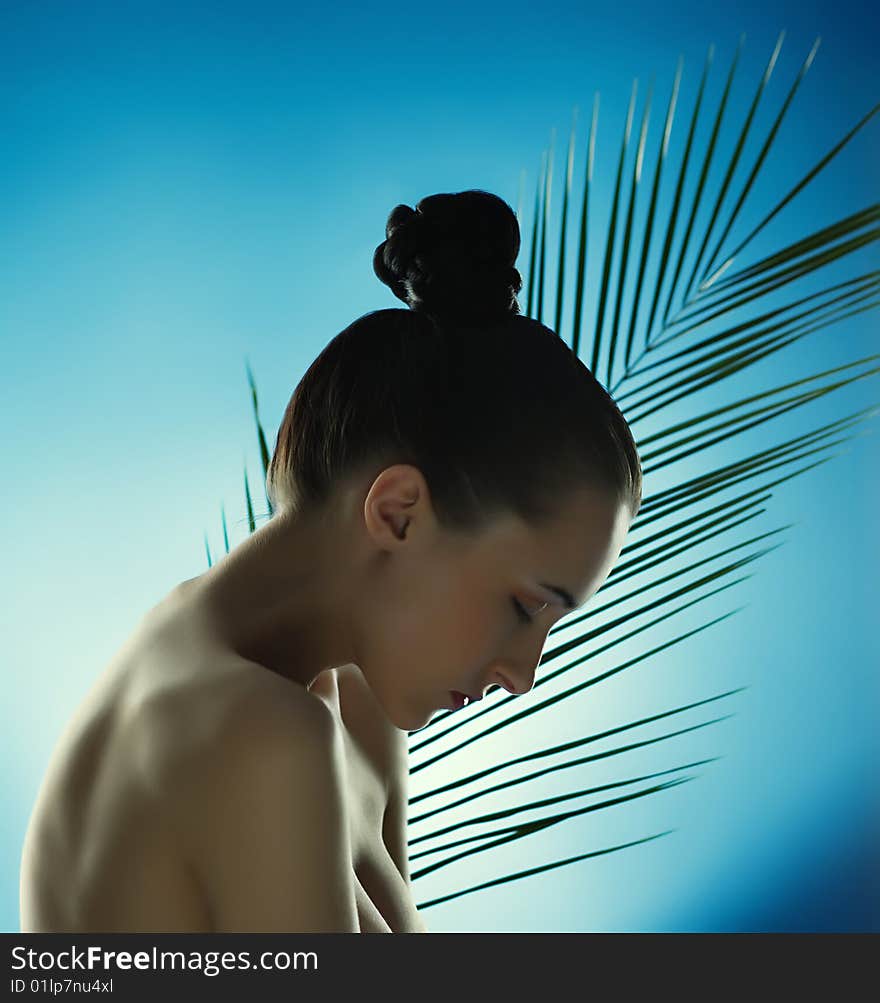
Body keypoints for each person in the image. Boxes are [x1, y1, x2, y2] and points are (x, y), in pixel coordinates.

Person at [19, 189, 641, 933]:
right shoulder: (263, 737)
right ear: (398, 512)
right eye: (525, 605)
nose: (522, 674)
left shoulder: (354, 696)